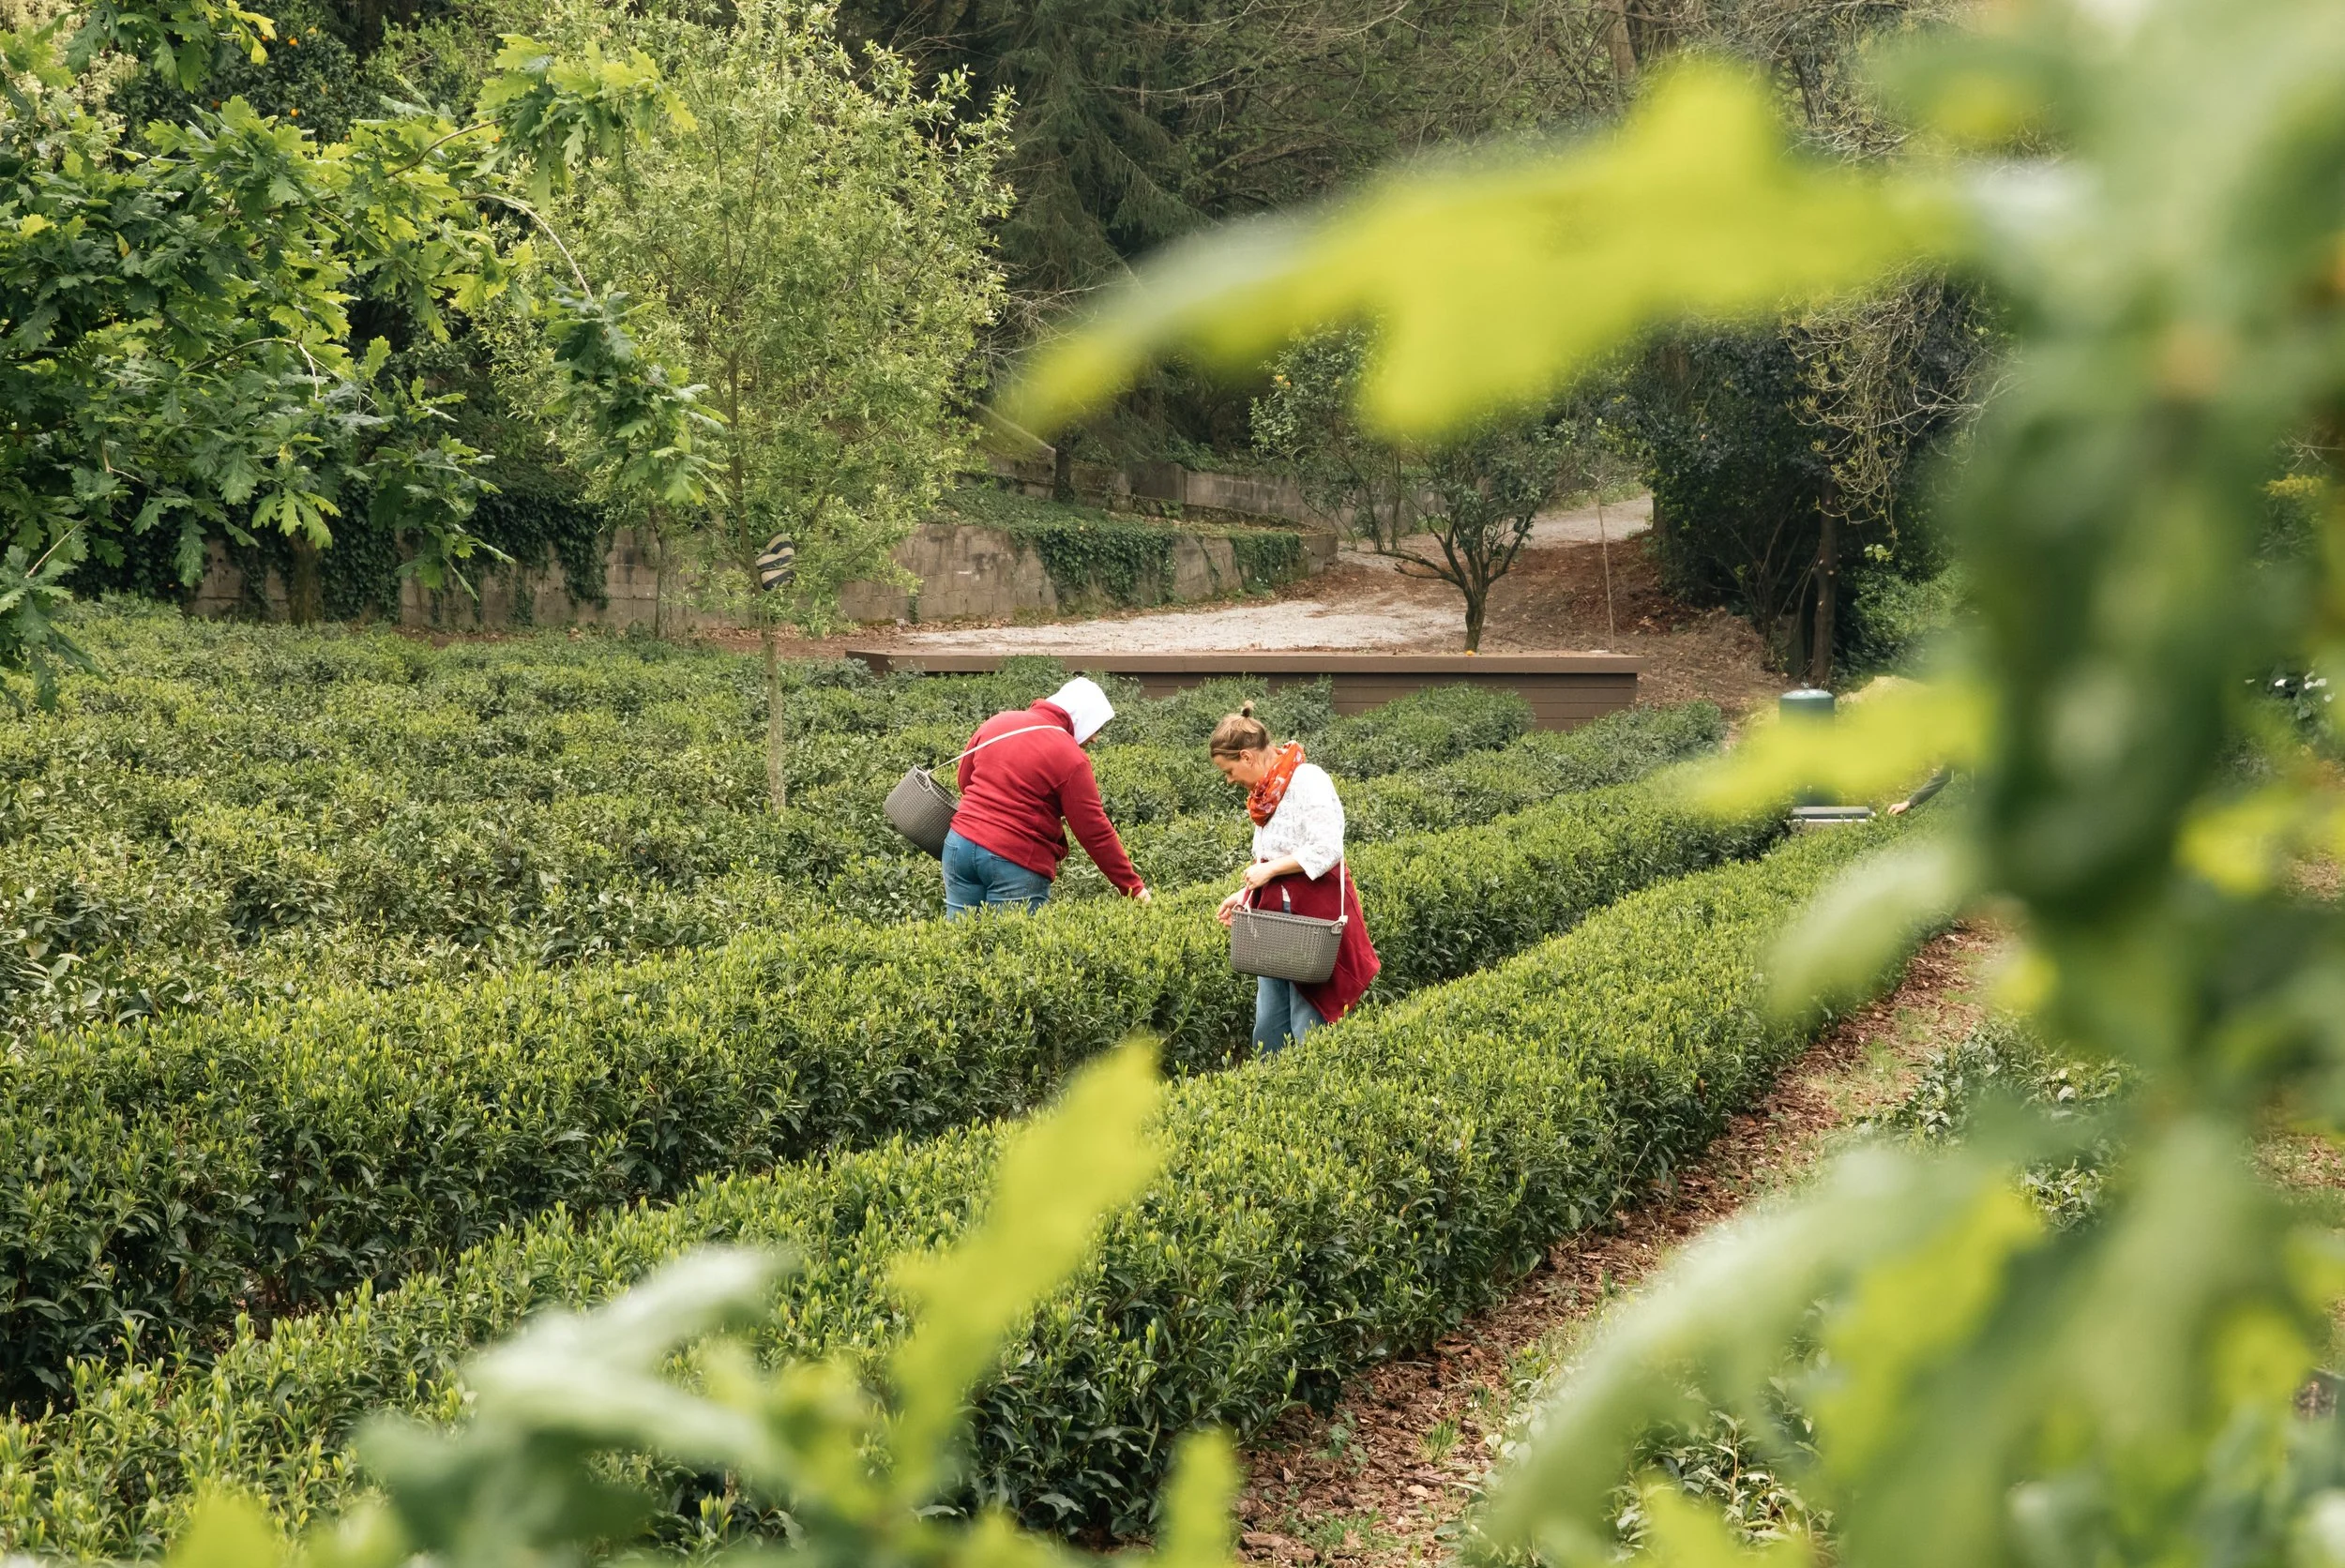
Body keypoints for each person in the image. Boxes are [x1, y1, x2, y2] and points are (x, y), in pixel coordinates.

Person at [1209, 703, 1379, 1054]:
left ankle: (1308, 1098)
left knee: (1308, 1019)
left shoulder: (1308, 780)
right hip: (1275, 919)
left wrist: (1268, 870)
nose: (1229, 780)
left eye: (1229, 771)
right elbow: (1273, 857)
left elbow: (1326, 848)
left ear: (1247, 756)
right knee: (1269, 1022)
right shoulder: (1264, 795)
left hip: (1312, 918)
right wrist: (1245, 894)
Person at [943, 676, 1152, 918]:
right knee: (1012, 948)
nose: (1095, 738)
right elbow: (1094, 831)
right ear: (1082, 719)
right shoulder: (1070, 756)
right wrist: (1133, 887)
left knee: (961, 944)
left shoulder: (998, 723)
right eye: (1096, 729)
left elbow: (964, 780)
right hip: (1015, 858)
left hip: (959, 846)